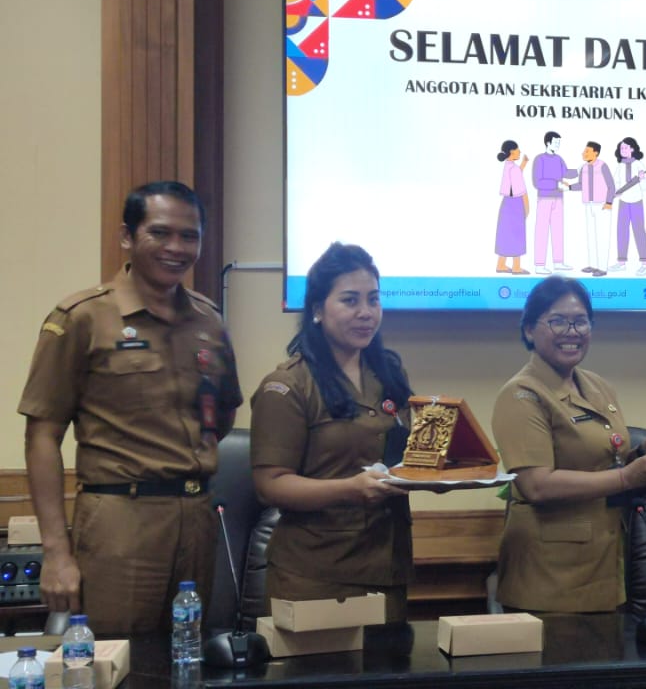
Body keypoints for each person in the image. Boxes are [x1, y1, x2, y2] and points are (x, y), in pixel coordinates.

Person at [18, 181, 242, 634]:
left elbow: (220, 415)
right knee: (114, 656)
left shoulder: (209, 320)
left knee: (187, 655)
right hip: (121, 520)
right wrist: (56, 552)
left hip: (196, 518)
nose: (176, 247)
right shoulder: (82, 317)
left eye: (189, 236)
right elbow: (42, 435)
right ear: (127, 236)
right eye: (159, 233)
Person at [490, 275, 646, 612]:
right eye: (558, 321)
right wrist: (627, 477)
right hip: (549, 575)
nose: (572, 332)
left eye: (581, 322)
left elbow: (605, 462)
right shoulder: (521, 394)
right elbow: (537, 485)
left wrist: (645, 451)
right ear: (529, 330)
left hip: (604, 563)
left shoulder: (598, 387)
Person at [251, 242, 415, 622]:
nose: (366, 312)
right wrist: (350, 488)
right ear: (317, 310)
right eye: (350, 300)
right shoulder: (288, 385)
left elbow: (403, 456)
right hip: (316, 575)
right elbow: (269, 484)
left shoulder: (389, 373)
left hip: (388, 566)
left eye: (373, 299)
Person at [531, 131, 577, 275]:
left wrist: (580, 170)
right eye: (556, 142)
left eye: (559, 142)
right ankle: (539, 265)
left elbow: (566, 173)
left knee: (558, 231)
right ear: (548, 143)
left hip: (559, 199)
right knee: (542, 231)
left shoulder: (559, 159)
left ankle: (558, 262)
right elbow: (537, 182)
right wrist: (556, 184)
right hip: (544, 199)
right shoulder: (539, 159)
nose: (558, 145)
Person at [567, 141, 616, 277]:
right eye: (584, 151)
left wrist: (609, 202)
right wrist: (568, 187)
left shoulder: (603, 166)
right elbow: (581, 185)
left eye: (587, 151)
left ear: (596, 153)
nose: (583, 153)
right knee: (591, 236)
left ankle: (602, 268)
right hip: (588, 205)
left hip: (602, 205)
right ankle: (593, 265)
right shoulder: (584, 168)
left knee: (602, 236)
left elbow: (611, 186)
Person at [608, 137, 646, 277]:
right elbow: (615, 182)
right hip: (623, 202)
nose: (623, 150)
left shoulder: (639, 164)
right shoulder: (620, 166)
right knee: (621, 231)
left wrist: (642, 178)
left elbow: (644, 188)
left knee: (639, 231)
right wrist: (616, 192)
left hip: (636, 202)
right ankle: (621, 263)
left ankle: (645, 264)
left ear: (632, 149)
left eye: (626, 147)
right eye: (621, 148)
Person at [494, 139, 531, 275]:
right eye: (517, 149)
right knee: (516, 235)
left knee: (505, 234)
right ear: (511, 151)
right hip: (516, 204)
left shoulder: (508, 165)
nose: (519, 151)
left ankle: (501, 264)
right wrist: (527, 208)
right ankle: (516, 267)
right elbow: (522, 191)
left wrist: (523, 164)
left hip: (506, 204)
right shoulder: (514, 169)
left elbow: (516, 176)